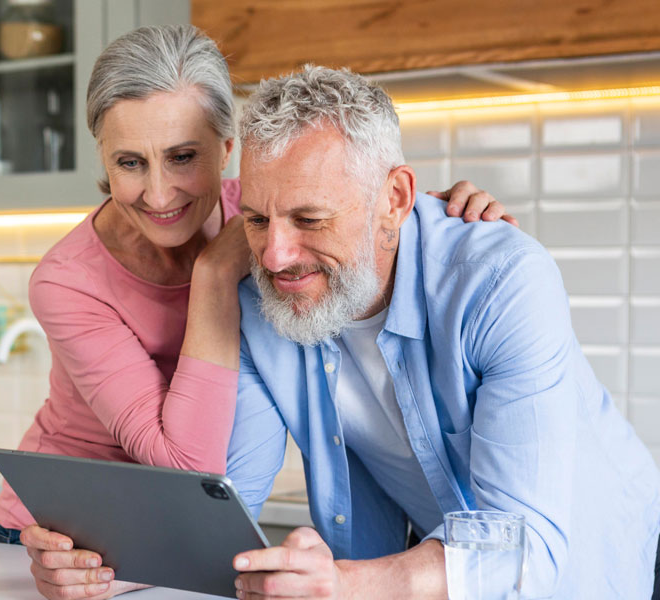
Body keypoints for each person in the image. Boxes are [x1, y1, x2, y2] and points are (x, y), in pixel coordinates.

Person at [0, 25, 515, 600]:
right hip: (69, 544)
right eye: (130, 163)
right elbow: (187, 463)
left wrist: (448, 207)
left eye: (183, 157)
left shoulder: (265, 213)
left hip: (180, 529)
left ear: (226, 148)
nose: (160, 193)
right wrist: (213, 277)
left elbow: (360, 207)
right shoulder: (68, 282)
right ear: (103, 158)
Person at [220, 65, 660, 599]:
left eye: (309, 220)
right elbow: (228, 502)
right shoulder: (264, 301)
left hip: (606, 570)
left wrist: (343, 585)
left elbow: (525, 548)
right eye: (257, 221)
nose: (274, 255)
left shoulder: (501, 282)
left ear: (395, 199)